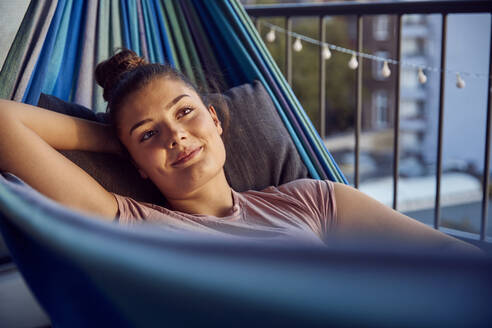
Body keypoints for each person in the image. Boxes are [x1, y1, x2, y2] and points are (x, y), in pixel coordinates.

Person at [0, 49, 482, 254]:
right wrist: (115, 137)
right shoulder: (131, 223)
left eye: (185, 113)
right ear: (137, 167)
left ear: (216, 119)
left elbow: (444, 255)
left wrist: (139, 136)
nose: (175, 136)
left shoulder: (311, 200)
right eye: (150, 135)